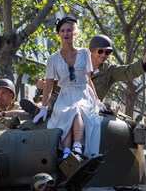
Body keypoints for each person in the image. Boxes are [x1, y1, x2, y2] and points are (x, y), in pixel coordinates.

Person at [28, 34, 146, 112]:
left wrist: (145, 59)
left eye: (108, 52)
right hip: (65, 103)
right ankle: (37, 108)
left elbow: (128, 72)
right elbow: (54, 79)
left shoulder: (110, 71)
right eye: (101, 51)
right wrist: (41, 82)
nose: (104, 55)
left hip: (89, 108)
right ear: (91, 50)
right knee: (52, 101)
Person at [33, 17, 103, 158]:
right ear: (59, 34)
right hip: (65, 95)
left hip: (83, 93)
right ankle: (66, 151)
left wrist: (97, 100)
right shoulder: (53, 59)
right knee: (65, 113)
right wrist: (44, 107)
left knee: (77, 110)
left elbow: (88, 78)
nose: (66, 34)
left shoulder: (84, 53)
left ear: (74, 33)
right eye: (63, 31)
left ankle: (77, 146)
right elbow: (49, 85)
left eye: (69, 30)